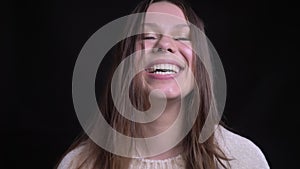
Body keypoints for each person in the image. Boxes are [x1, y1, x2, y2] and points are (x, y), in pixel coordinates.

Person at [56, 0, 270, 168]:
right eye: (148, 36)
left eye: (182, 37)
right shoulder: (79, 164)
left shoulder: (242, 160)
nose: (165, 44)